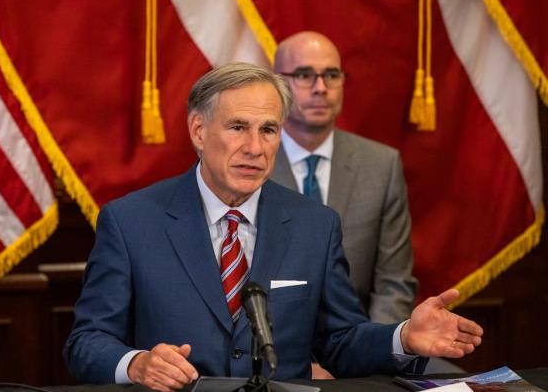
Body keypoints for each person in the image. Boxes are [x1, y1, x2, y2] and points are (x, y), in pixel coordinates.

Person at [64, 62, 483, 392]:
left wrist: (404, 337)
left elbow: (340, 342)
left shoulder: (314, 225)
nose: (255, 148)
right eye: (237, 127)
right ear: (198, 129)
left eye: (268, 130)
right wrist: (136, 364)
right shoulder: (131, 221)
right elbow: (87, 342)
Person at [271, 31, 417, 325]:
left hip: (357, 343)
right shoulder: (250, 164)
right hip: (270, 351)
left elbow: (394, 284)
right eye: (304, 75)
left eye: (332, 75)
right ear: (277, 85)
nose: (320, 88)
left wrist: (372, 352)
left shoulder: (381, 165)